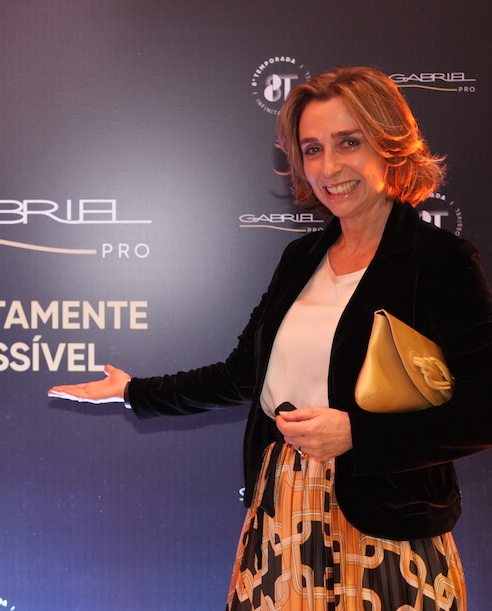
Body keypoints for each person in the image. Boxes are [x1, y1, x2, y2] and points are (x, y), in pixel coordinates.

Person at [48, 66, 492, 609]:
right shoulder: (301, 258)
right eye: (312, 149)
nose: (328, 167)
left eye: (348, 142)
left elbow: (484, 409)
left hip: (388, 525)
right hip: (282, 514)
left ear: (389, 144)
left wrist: (357, 434)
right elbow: (242, 375)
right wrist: (132, 391)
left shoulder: (440, 262)